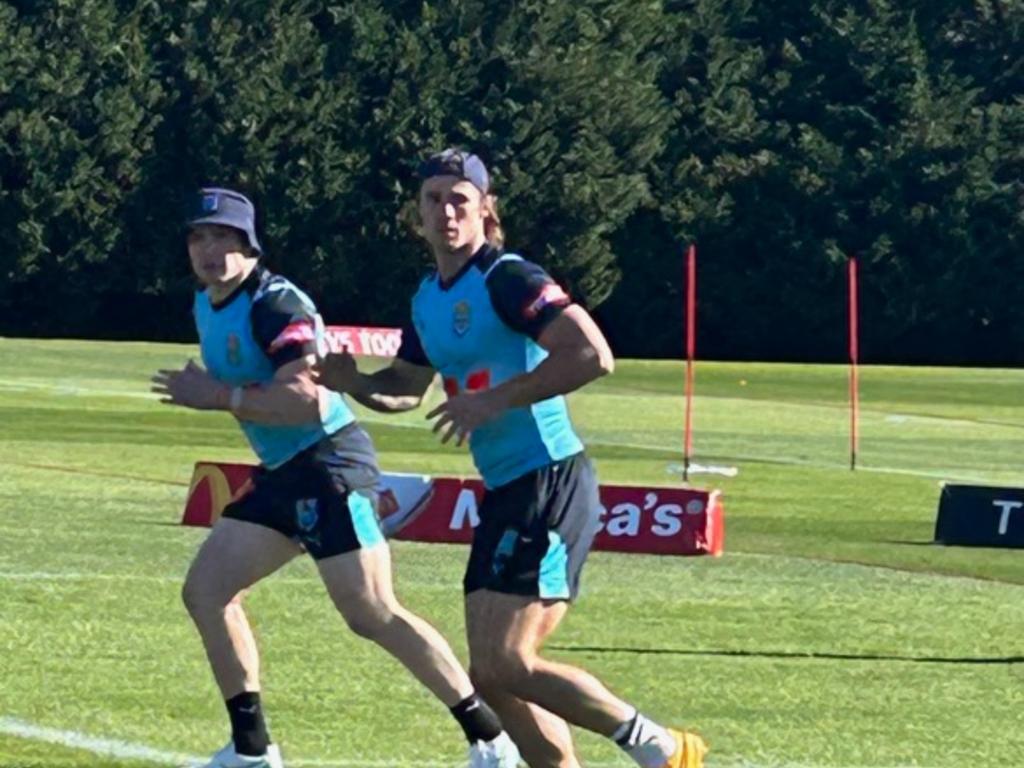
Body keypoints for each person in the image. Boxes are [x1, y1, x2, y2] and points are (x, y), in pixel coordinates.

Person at [316, 151, 708, 768]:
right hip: (506, 489)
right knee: (492, 674)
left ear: (484, 210)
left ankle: (658, 744)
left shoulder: (509, 277)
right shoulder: (427, 299)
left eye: (459, 200)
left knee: (509, 661)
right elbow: (406, 387)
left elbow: (591, 354)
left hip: (549, 478)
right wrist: (353, 382)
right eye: (433, 199)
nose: (446, 211)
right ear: (415, 214)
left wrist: (491, 401)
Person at [150, 187, 520, 768]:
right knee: (207, 590)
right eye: (199, 237)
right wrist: (221, 394)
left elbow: (307, 400)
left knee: (371, 611)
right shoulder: (207, 301)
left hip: (329, 467)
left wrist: (217, 395)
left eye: (223, 237)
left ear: (249, 243)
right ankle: (252, 751)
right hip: (284, 473)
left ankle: (492, 740)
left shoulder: (275, 304)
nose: (209, 249)